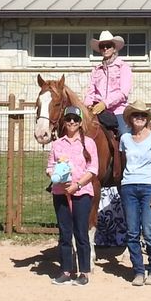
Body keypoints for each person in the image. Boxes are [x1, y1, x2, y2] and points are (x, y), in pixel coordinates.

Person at [46, 106, 98, 286]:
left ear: (80, 122)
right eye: (68, 119)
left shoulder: (88, 143)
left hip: (81, 193)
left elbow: (93, 169)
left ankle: (83, 272)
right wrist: (56, 178)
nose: (72, 122)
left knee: (81, 233)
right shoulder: (57, 144)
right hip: (61, 193)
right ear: (64, 121)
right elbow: (50, 167)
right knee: (64, 233)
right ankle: (66, 269)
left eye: (75, 119)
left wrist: (77, 184)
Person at [120, 100, 151, 286]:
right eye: (136, 115)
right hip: (129, 186)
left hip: (148, 187)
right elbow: (124, 163)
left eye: (143, 115)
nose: (139, 118)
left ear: (147, 119)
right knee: (132, 232)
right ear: (130, 118)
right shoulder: (124, 138)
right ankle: (138, 270)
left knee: (148, 231)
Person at [85, 30, 132, 136]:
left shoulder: (123, 67)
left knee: (124, 134)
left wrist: (105, 103)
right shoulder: (96, 69)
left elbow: (123, 93)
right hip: (97, 110)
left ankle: (125, 152)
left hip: (118, 110)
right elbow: (90, 91)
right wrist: (87, 105)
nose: (105, 48)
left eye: (108, 45)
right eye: (102, 46)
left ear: (114, 48)